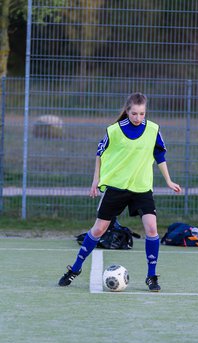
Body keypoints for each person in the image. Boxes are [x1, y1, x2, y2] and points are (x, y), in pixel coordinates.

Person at [58, 92, 181, 291]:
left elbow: (159, 155)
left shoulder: (153, 129)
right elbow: (99, 153)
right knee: (98, 230)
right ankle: (75, 269)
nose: (138, 118)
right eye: (134, 113)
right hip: (117, 187)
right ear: (127, 111)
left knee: (151, 228)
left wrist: (168, 180)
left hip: (141, 188)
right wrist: (96, 180)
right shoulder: (114, 130)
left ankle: (151, 276)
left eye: (142, 114)